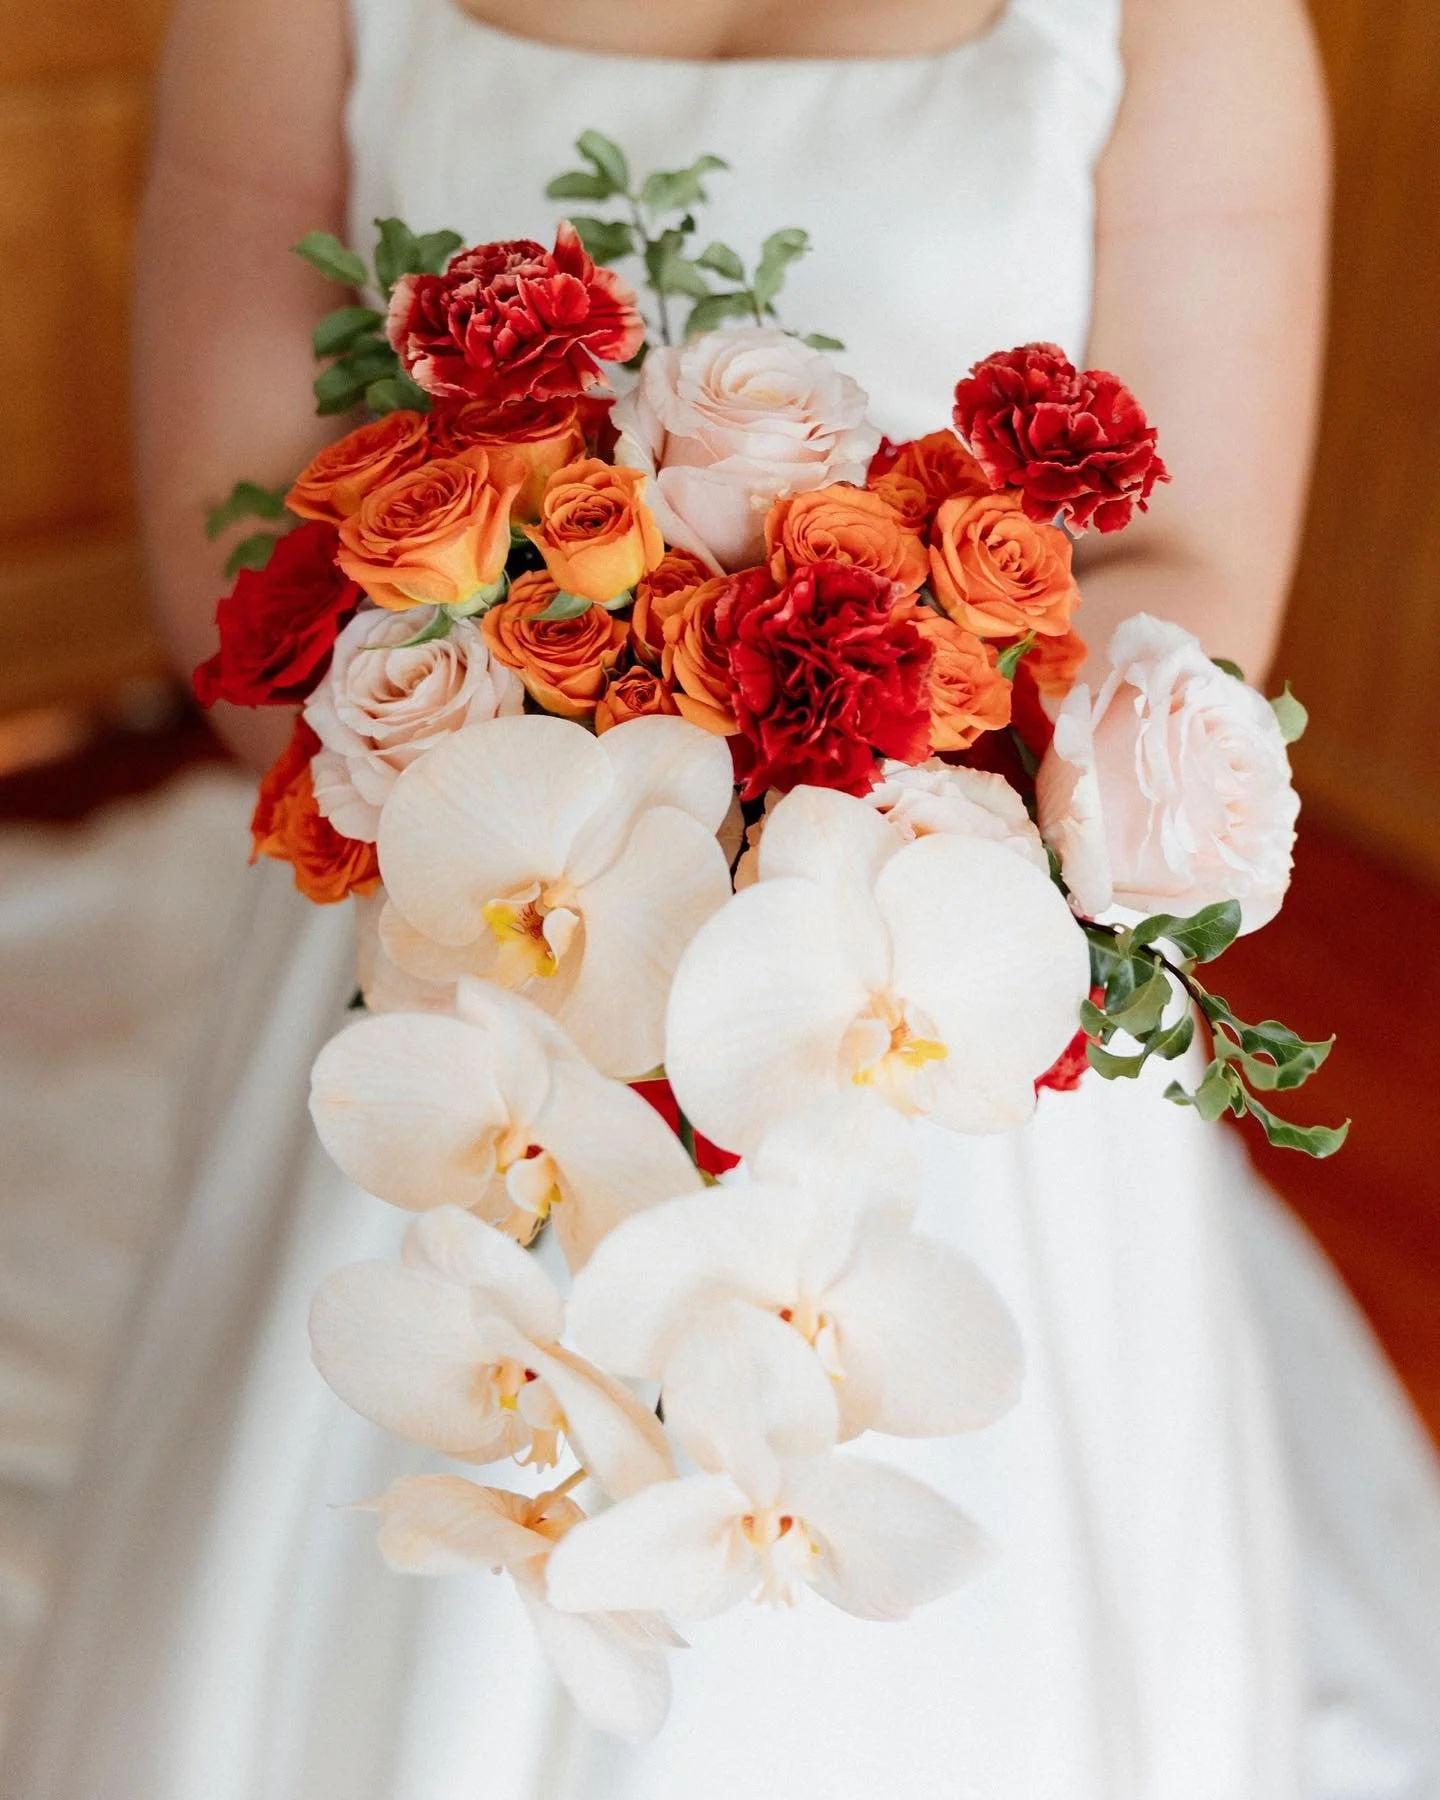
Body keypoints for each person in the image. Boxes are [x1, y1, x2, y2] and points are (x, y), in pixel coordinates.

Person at [7, 1, 1440, 1795]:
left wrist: (827, 847)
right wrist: (570, 802)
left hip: (919, 976)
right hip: (467, 948)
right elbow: (231, 558)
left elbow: (1192, 567)